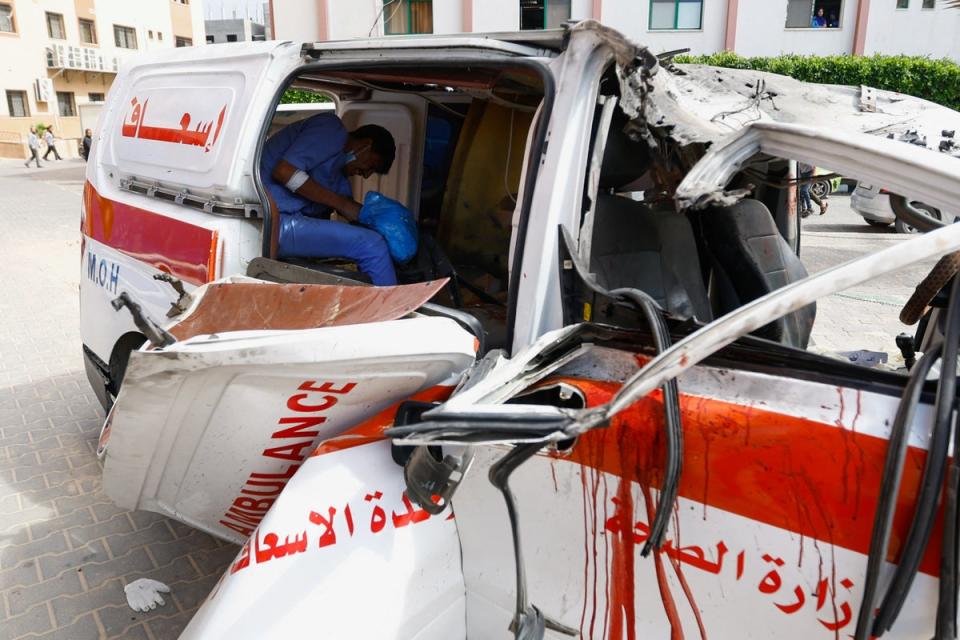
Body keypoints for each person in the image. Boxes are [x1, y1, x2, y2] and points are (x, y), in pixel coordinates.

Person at [260, 112, 398, 285]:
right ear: (366, 145)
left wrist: (388, 225)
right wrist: (342, 204)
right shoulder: (331, 128)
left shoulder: (338, 177)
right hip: (269, 222)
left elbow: (349, 212)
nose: (367, 174)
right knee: (371, 246)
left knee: (371, 240)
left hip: (285, 225)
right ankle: (391, 310)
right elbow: (284, 171)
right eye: (372, 165)